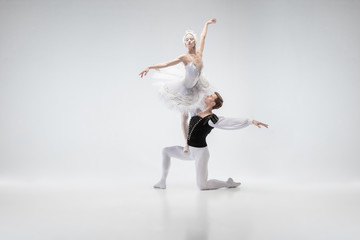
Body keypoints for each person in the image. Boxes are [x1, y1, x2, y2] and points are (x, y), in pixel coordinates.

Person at [153, 92, 268, 190]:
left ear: (212, 103)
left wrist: (251, 121)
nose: (207, 96)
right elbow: (190, 101)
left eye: (210, 96)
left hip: (200, 153)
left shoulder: (212, 119)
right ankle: (162, 182)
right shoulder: (196, 111)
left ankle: (227, 183)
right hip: (188, 151)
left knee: (202, 186)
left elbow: (231, 121)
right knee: (166, 151)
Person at [139, 18, 217, 153]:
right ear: (185, 44)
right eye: (187, 39)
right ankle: (186, 143)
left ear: (194, 42)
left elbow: (203, 36)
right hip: (185, 88)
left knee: (200, 112)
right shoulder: (184, 57)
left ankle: (198, 139)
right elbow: (166, 64)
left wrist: (206, 24)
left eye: (191, 39)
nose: (189, 41)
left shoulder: (199, 54)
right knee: (184, 117)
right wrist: (149, 67)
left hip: (197, 86)